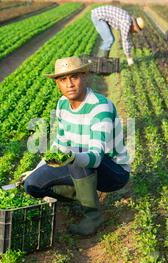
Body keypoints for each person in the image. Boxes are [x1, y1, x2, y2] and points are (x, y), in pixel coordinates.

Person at [19, 57, 131, 236]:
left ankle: (93, 216)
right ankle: (85, 196)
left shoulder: (100, 107)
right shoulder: (62, 104)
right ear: (57, 84)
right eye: (63, 79)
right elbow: (60, 144)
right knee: (33, 185)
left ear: (85, 76)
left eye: (74, 77)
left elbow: (95, 156)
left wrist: (71, 156)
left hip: (113, 171)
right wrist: (35, 170)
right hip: (80, 163)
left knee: (78, 151)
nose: (69, 84)